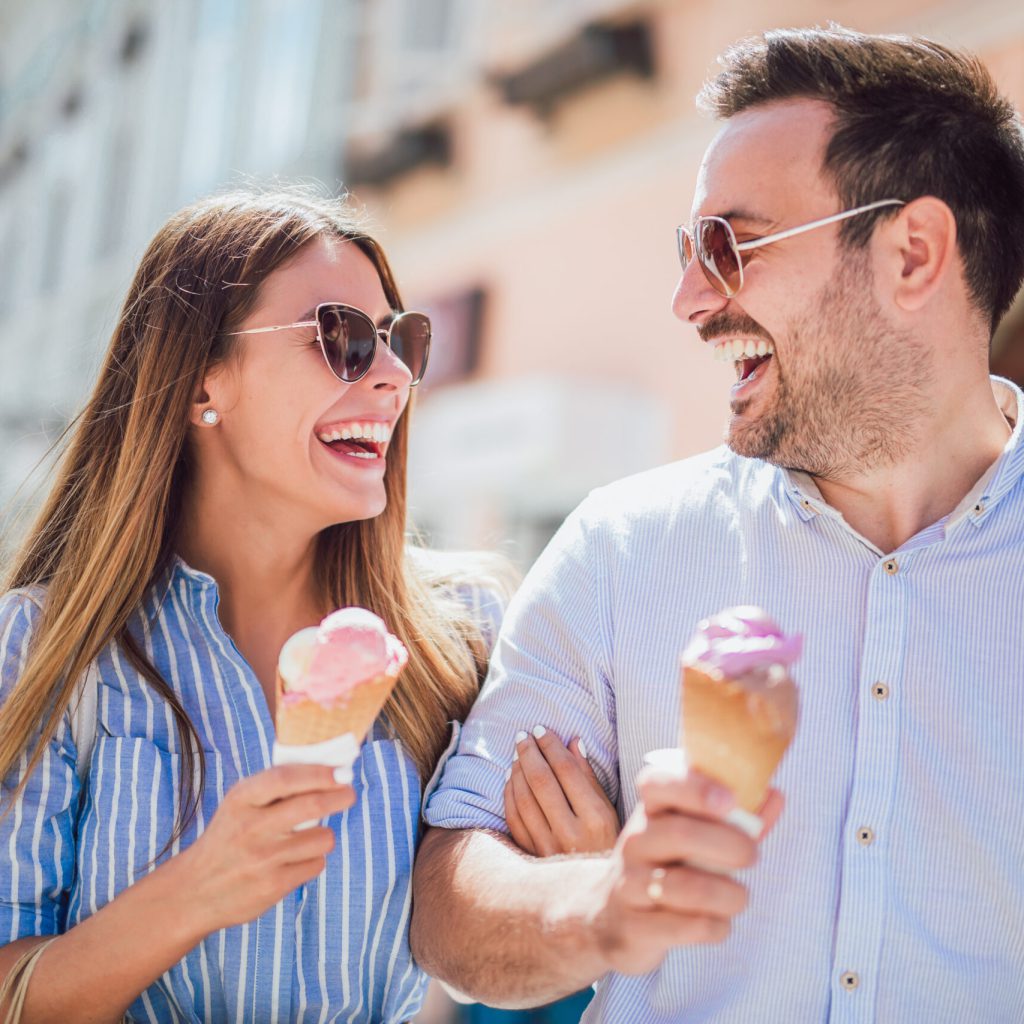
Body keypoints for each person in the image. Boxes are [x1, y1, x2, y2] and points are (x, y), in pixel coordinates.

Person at [411, 26, 1024, 1023]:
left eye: (728, 245)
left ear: (912, 253)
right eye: (687, 251)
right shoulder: (621, 549)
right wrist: (598, 906)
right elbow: (448, 904)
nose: (689, 298)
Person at [0, 188, 618, 1023]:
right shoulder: (47, 644)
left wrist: (578, 886)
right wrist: (195, 891)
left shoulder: (467, 633)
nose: (394, 375)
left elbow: (499, 964)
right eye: (342, 336)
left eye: (402, 340)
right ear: (201, 382)